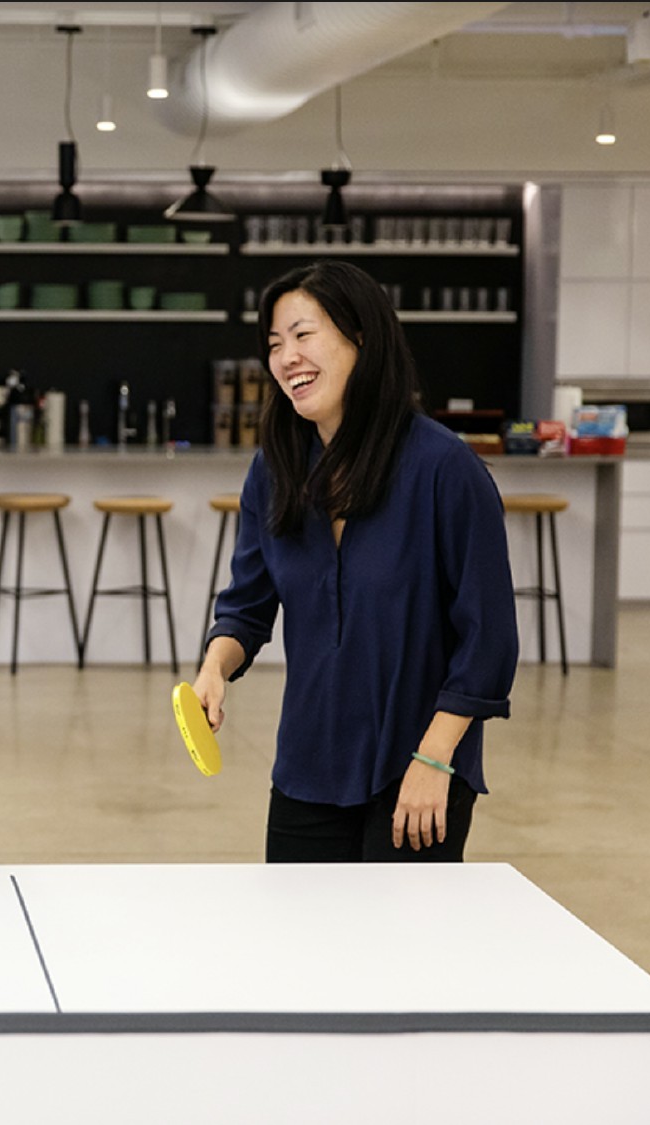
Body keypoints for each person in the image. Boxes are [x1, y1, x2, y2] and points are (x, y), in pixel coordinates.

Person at [194, 259, 518, 862]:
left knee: (398, 955)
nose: (286, 356)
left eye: (303, 334)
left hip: (418, 769)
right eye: (274, 343)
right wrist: (215, 667)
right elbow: (247, 604)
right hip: (308, 766)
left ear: (361, 338)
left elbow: (489, 639)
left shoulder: (444, 468)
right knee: (299, 949)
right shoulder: (275, 470)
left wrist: (434, 760)